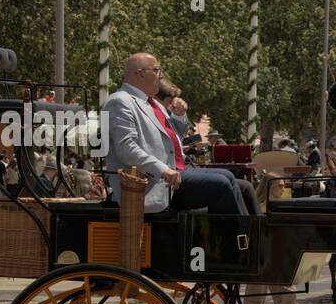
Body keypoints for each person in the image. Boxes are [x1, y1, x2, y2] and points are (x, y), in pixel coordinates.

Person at [104, 53, 246, 215]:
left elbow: (171, 140)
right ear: (141, 73)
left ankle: (250, 235)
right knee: (221, 184)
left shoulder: (153, 103)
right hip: (153, 182)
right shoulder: (120, 101)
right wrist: (163, 170)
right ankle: (233, 238)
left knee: (229, 176)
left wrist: (178, 116)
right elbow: (126, 149)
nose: (161, 76)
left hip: (176, 171)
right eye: (157, 70)